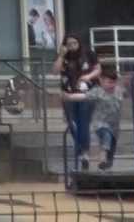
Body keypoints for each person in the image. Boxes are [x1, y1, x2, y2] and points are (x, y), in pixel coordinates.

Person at [53, 34, 101, 170]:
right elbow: (55, 71)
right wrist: (61, 55)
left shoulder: (89, 54)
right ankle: (81, 151)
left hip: (87, 93)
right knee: (72, 123)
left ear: (79, 43)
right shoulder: (64, 57)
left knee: (83, 122)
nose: (72, 46)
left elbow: (98, 70)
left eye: (74, 43)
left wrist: (88, 76)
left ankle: (84, 153)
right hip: (68, 93)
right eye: (69, 44)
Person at [69, 68, 125, 170]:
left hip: (114, 126)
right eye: (109, 82)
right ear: (101, 81)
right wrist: (68, 96)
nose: (112, 85)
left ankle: (106, 163)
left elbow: (127, 90)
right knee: (106, 136)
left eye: (114, 82)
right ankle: (102, 159)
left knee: (111, 148)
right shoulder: (98, 91)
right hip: (100, 123)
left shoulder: (118, 91)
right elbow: (83, 96)